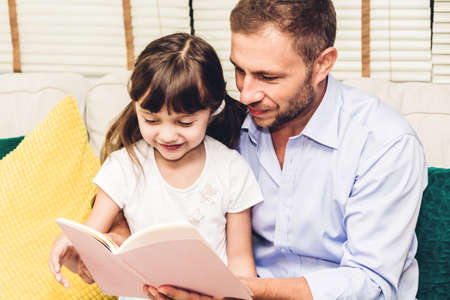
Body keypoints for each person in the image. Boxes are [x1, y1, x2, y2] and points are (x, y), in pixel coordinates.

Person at [139, 0, 428, 299]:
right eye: (239, 70)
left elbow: (372, 283)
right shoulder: (220, 123)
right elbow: (145, 166)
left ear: (323, 64)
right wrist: (120, 237)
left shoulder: (386, 144)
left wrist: (238, 291)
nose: (246, 93)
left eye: (268, 77)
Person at [48, 32, 263, 300]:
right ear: (136, 106)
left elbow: (241, 263)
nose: (167, 135)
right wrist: (70, 244)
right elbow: (92, 234)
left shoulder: (232, 170)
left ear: (213, 109)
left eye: (185, 123)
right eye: (151, 120)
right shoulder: (124, 167)